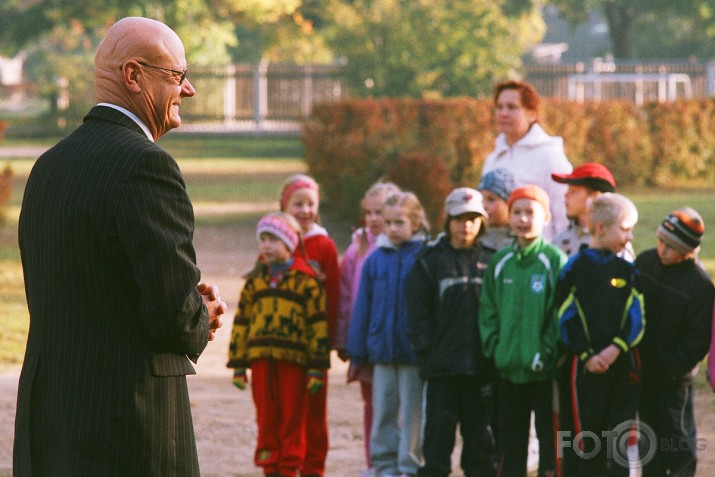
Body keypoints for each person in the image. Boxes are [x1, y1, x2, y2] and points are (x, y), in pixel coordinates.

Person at [13, 17, 226, 476]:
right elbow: (175, 319)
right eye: (176, 76)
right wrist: (200, 314)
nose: (187, 91)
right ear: (133, 76)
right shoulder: (148, 167)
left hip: (51, 426)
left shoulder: (47, 168)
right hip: (128, 435)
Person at [228, 212, 330, 477]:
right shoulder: (255, 283)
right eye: (263, 239)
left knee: (292, 419)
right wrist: (238, 364)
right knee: (266, 418)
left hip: (294, 364)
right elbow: (242, 323)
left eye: (274, 239)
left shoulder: (307, 282)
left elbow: (318, 326)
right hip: (261, 362)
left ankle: (289, 466)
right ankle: (269, 467)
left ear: (290, 243)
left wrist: (317, 367)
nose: (267, 245)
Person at [407, 188, 496, 477]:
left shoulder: (494, 261)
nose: (465, 225)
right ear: (448, 220)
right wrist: (428, 352)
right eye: (459, 218)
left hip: (481, 369)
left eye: (472, 218)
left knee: (481, 447)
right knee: (436, 446)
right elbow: (418, 312)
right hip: (442, 371)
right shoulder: (429, 261)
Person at [479, 185, 567, 477]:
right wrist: (495, 347)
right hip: (508, 370)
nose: (523, 219)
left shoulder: (553, 261)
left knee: (547, 438)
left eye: (530, 212)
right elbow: (488, 309)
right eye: (517, 212)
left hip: (542, 371)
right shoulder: (500, 262)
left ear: (545, 217)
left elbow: (560, 311)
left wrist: (549, 349)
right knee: (510, 439)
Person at [556, 193, 644, 476]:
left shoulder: (629, 271)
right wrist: (587, 354)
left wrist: (616, 348)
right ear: (600, 228)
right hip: (584, 369)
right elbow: (564, 316)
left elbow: (637, 316)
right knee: (585, 441)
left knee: (618, 441)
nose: (629, 237)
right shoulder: (574, 268)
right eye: (625, 229)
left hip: (620, 367)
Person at [347, 191, 430, 477]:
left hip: (412, 353)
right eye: (389, 222)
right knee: (383, 410)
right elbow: (362, 308)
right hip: (381, 351)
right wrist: (356, 350)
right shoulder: (374, 260)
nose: (393, 228)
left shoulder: (425, 258)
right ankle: (383, 465)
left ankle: (410, 466)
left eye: (400, 222)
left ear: (416, 224)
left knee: (413, 414)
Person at [635, 207, 714, 476]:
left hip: (674, 381)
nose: (661, 250)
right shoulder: (645, 263)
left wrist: (671, 366)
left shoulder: (699, 285)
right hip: (644, 372)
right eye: (660, 241)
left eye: (670, 247)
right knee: (650, 439)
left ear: (688, 251)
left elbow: (697, 339)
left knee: (677, 440)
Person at [335, 181, 401, 477]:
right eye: (369, 212)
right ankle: (375, 463)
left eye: (381, 212)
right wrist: (344, 340)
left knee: (397, 406)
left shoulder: (401, 247)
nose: (374, 219)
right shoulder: (356, 248)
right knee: (371, 404)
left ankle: (399, 462)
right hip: (364, 341)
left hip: (393, 341)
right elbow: (346, 295)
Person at [279, 173, 339, 477]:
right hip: (284, 345)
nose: (304, 210)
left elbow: (334, 296)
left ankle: (314, 468)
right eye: (297, 204)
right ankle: (285, 465)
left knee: (315, 412)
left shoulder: (324, 246)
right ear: (284, 207)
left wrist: (330, 339)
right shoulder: (275, 244)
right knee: (287, 411)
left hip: (314, 344)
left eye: (310, 204)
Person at [481, 80, 573, 241]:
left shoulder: (549, 157)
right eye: (499, 107)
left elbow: (564, 217)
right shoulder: (493, 159)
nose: (503, 113)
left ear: (532, 114)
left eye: (511, 107)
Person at [551, 162, 636, 260]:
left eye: (573, 191)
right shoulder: (562, 240)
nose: (566, 195)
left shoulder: (613, 241)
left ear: (595, 198)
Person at [477, 167, 516, 252]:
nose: (483, 206)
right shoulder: (472, 236)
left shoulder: (520, 239)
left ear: (509, 204)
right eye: (480, 199)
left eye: (491, 199)